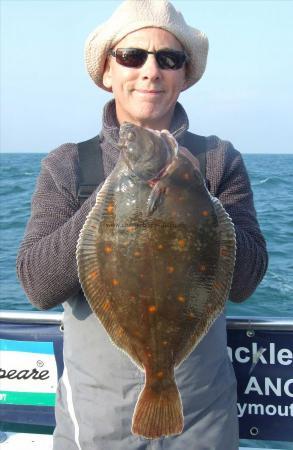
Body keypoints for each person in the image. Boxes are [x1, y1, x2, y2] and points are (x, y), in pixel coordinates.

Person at [16, 1, 268, 449]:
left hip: (201, 418)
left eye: (168, 59)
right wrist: (121, 187)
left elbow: (247, 279)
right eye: (133, 56)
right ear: (107, 73)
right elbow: (37, 285)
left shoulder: (217, 159)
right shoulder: (68, 164)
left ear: (184, 76)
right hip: (97, 423)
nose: (151, 71)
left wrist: (194, 192)